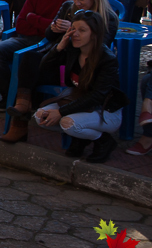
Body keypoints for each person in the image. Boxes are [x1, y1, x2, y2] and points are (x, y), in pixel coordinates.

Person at [0, 0, 119, 142]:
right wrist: (55, 27)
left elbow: (99, 48)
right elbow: (48, 34)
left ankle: (20, 120)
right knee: (28, 58)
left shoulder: (108, 18)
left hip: (79, 67)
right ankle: (22, 107)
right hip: (58, 59)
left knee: (30, 73)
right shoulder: (68, 7)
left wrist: (77, 29)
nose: (77, 3)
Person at [31, 11, 125, 163]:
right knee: (39, 116)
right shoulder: (73, 51)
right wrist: (59, 47)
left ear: (94, 34)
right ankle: (80, 138)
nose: (75, 34)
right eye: (73, 29)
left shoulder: (107, 59)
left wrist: (61, 112)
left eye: (82, 30)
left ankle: (103, 140)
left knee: (67, 122)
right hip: (78, 102)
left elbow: (97, 96)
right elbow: (44, 70)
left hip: (105, 109)